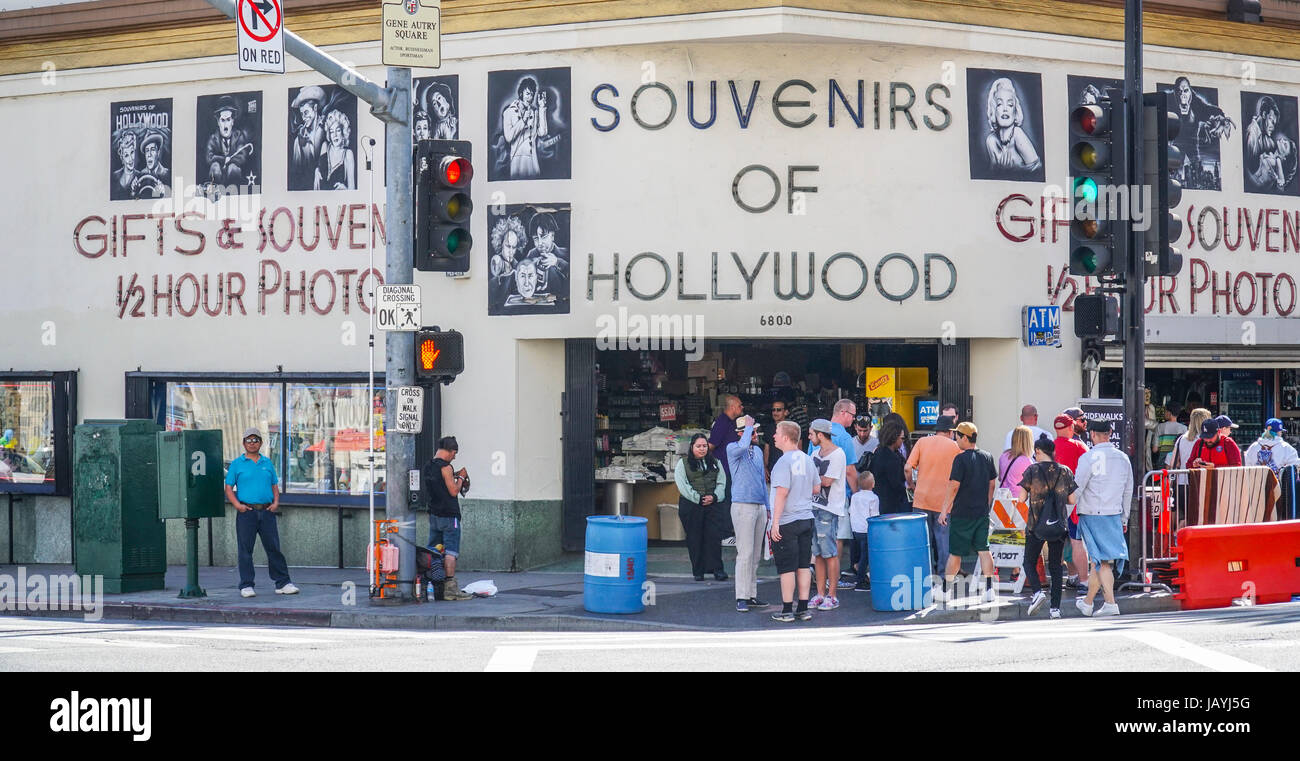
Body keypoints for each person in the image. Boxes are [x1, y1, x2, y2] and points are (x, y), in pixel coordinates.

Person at [224, 428, 298, 598]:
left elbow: (274, 485)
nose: (252, 443)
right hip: (246, 511)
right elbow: (228, 488)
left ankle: (283, 583)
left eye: (255, 440)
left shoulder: (267, 463)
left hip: (267, 511)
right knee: (245, 549)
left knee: (273, 548)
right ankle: (246, 585)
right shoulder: (237, 464)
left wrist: (276, 502)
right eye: (248, 440)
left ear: (261, 443)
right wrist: (237, 505)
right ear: (243, 443)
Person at [1074, 420, 1134, 617]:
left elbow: (1078, 487)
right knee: (1098, 562)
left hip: (1092, 513)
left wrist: (1066, 511)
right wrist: (1124, 517)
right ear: (1109, 433)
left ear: (1092, 434)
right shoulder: (1123, 458)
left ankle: (1109, 603)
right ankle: (1088, 602)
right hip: (1114, 513)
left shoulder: (1088, 457)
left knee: (1100, 562)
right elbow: (1128, 491)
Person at [937, 422, 999, 605]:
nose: (955, 439)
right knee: (984, 550)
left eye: (957, 436)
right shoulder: (987, 457)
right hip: (981, 513)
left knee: (955, 554)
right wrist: (986, 504)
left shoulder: (960, 459)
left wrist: (943, 511)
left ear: (965, 437)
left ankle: (946, 591)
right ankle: (989, 590)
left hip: (961, 514)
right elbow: (992, 483)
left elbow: (953, 486)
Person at [1017, 436, 1079, 619]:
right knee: (1056, 566)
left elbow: (1021, 498)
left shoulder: (1032, 470)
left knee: (1029, 561)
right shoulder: (1065, 471)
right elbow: (1072, 500)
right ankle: (1055, 609)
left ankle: (1037, 593)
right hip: (1059, 525)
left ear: (1037, 451)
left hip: (1036, 524)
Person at [768, 421, 817, 622]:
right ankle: (803, 608)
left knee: (786, 567)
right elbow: (816, 488)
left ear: (786, 438)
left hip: (787, 520)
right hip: (806, 517)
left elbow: (782, 492)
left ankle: (787, 610)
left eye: (777, 433)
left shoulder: (782, 462)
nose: (774, 436)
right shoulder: (808, 459)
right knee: (804, 565)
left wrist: (775, 522)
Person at [807, 399, 860, 586]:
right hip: (836, 495)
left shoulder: (816, 435)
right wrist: (857, 493)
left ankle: (815, 569)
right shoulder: (844, 437)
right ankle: (833, 580)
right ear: (843, 412)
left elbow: (810, 465)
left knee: (819, 537)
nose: (853, 420)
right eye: (853, 416)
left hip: (816, 495)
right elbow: (850, 471)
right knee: (836, 537)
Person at [726, 416, 770, 612]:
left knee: (755, 555)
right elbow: (742, 448)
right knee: (745, 553)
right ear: (741, 433)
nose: (755, 435)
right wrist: (748, 429)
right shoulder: (732, 448)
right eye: (752, 431)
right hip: (742, 504)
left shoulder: (758, 451)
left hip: (759, 504)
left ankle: (751, 594)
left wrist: (767, 506)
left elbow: (762, 480)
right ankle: (741, 596)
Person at [906, 414, 961, 569]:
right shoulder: (955, 447)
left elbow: (907, 468)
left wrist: (911, 485)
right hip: (944, 502)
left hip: (921, 499)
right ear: (951, 432)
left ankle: (924, 573)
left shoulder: (922, 442)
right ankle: (944, 575)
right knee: (943, 541)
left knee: (923, 540)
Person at [674, 433, 729, 581]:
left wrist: (715, 496)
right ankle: (698, 571)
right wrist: (698, 498)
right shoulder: (683, 463)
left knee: (714, 537)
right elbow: (682, 485)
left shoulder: (716, 462)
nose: (702, 449)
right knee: (694, 538)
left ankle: (717, 569)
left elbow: (721, 482)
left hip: (713, 504)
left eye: (705, 446)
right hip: (692, 505)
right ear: (692, 447)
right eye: (698, 446)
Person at [424, 436, 473, 600]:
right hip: (449, 515)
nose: (454, 457)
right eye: (454, 453)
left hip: (434, 515)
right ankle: (450, 589)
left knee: (433, 550)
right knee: (451, 552)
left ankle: (432, 584)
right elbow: (453, 491)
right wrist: (460, 477)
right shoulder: (446, 467)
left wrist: (454, 474)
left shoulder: (429, 466)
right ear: (450, 451)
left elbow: (440, 484)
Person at [808, 419, 847, 611]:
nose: (809, 437)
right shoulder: (815, 453)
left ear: (820, 435)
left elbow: (827, 481)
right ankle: (820, 593)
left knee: (830, 552)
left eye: (811, 434)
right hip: (814, 507)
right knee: (818, 553)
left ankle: (832, 595)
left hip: (829, 509)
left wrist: (810, 482)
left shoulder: (838, 454)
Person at [1052, 414, 1091, 589]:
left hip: (1052, 503)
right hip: (1074, 501)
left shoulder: (1049, 447)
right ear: (1071, 427)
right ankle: (1083, 580)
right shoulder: (1079, 446)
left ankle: (1067, 577)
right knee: (1076, 542)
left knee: (1056, 542)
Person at [984, 77, 1042, 173]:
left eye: (1010, 105)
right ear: (994, 111)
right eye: (999, 104)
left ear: (1015, 112)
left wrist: (1012, 170)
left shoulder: (1017, 134)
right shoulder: (991, 141)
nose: (1005, 109)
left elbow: (1038, 170)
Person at [502, 76, 548, 178]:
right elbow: (509, 138)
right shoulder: (508, 112)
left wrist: (541, 108)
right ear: (521, 93)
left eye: (532, 94)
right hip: (517, 160)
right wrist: (523, 121)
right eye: (527, 94)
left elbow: (542, 133)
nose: (530, 97)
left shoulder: (534, 111)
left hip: (532, 160)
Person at [206, 95, 253, 191]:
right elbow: (209, 157)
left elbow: (242, 156)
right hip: (217, 182)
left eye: (228, 120)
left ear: (233, 121)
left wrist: (230, 161)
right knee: (215, 167)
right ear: (218, 122)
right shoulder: (213, 138)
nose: (225, 125)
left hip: (233, 181)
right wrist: (223, 159)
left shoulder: (239, 136)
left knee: (233, 168)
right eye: (222, 120)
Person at [869, 418, 910, 514]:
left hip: (879, 501)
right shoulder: (891, 458)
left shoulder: (878, 452)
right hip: (890, 504)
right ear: (894, 438)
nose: (902, 441)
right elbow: (896, 484)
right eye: (902, 438)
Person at [290, 85, 326, 190]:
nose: (304, 118)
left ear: (315, 108)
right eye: (302, 114)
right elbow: (296, 172)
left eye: (306, 113)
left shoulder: (327, 129)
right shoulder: (299, 140)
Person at [848, 471, 879, 591]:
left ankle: (856, 571)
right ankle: (860, 582)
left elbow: (851, 511)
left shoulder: (855, 496)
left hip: (855, 529)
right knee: (865, 557)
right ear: (873, 484)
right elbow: (874, 516)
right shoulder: (874, 498)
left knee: (857, 554)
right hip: (867, 530)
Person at [315, 109, 355, 190]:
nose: (335, 135)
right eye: (332, 131)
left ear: (343, 132)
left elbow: (352, 188)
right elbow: (319, 173)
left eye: (338, 130)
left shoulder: (348, 154)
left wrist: (345, 189)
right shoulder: (325, 147)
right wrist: (317, 170)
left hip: (339, 201)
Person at [997, 426, 1035, 492]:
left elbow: (1000, 478)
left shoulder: (1004, 456)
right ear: (1028, 441)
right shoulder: (1027, 461)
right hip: (1018, 499)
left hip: (1002, 499)